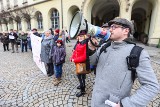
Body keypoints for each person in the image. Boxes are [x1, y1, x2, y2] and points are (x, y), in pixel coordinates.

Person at [89, 17, 159, 107]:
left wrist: (126, 104)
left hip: (112, 104)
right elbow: (92, 63)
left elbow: (151, 86)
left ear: (126, 31)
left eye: (114, 27)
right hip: (95, 101)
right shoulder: (104, 47)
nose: (110, 29)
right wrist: (91, 49)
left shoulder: (138, 53)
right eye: (110, 27)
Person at [70, 30, 91, 97]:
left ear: (84, 37)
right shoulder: (79, 43)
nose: (80, 37)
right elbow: (75, 52)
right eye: (79, 36)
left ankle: (83, 90)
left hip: (82, 63)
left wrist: (75, 59)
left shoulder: (85, 44)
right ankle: (82, 85)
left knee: (81, 77)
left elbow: (84, 56)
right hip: (78, 63)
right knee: (80, 76)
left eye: (82, 36)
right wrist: (72, 57)